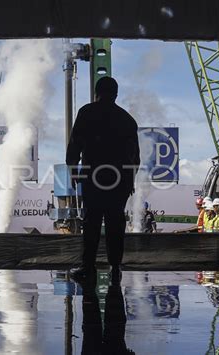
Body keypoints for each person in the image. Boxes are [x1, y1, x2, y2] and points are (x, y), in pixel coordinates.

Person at [66, 76, 140, 282]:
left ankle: (88, 267)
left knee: (92, 221)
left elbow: (75, 145)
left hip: (94, 176)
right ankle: (115, 267)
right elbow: (135, 157)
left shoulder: (87, 112)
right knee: (116, 221)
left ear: (96, 93)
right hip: (119, 180)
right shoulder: (127, 120)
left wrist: (73, 169)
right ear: (116, 94)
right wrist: (131, 180)